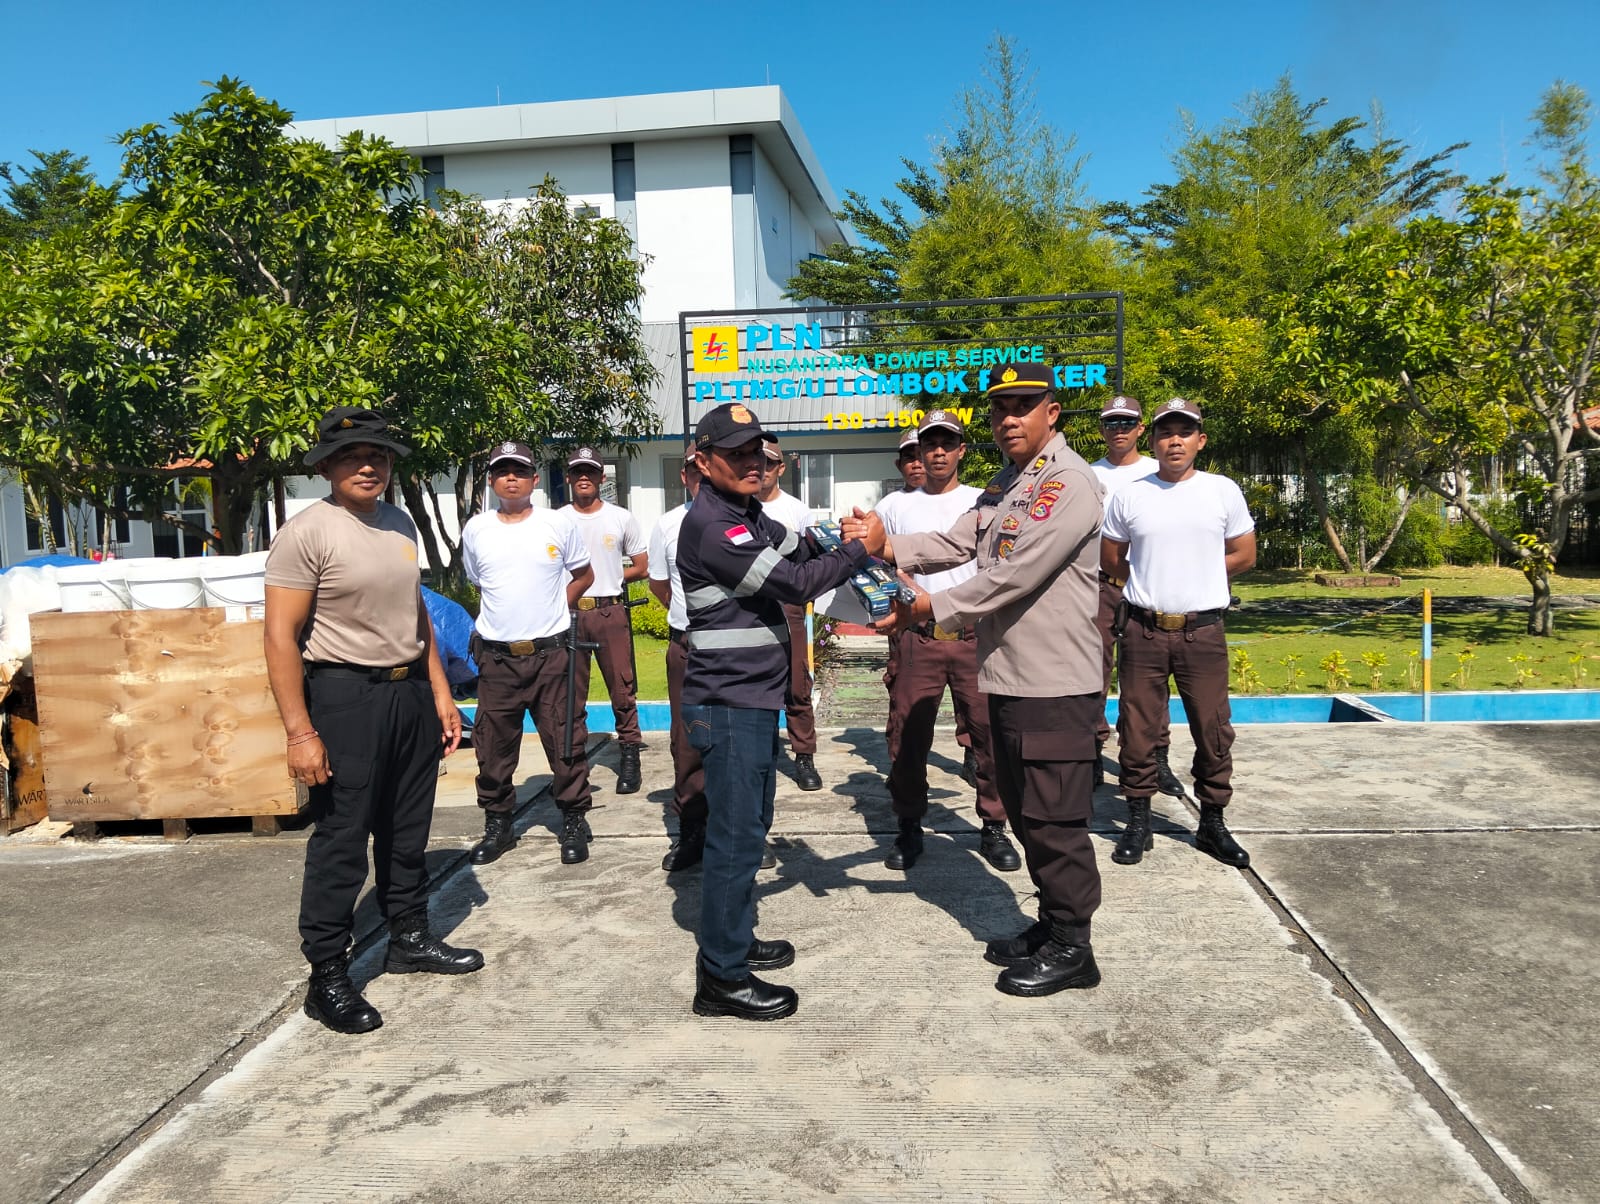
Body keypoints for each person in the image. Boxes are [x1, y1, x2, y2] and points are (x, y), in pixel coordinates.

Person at [844, 363, 1105, 999]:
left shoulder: (1068, 482)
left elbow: (1013, 576)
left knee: (1054, 818)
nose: (1009, 418)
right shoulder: (1010, 484)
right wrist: (885, 543)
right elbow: (961, 541)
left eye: (1023, 405)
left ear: (1053, 412)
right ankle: (1050, 925)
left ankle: (1075, 947)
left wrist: (930, 609)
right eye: (999, 409)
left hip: (1054, 680)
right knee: (1024, 809)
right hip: (1012, 675)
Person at [264, 407, 482, 1037]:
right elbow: (280, 636)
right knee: (342, 837)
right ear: (327, 465)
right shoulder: (308, 532)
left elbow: (415, 614)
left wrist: (440, 693)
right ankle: (327, 974)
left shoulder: (399, 522)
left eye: (380, 455)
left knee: (407, 827)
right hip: (343, 696)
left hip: (407, 693)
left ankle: (408, 936)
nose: (370, 465)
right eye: (355, 455)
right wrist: (301, 732)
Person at [680, 402, 874, 1021]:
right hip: (729, 702)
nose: (749, 462)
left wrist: (838, 536)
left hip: (752, 701)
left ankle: (735, 942)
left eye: (755, 452)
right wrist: (859, 553)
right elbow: (794, 583)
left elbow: (801, 544)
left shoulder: (747, 514)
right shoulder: (716, 526)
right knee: (734, 842)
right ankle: (721, 980)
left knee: (750, 828)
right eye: (734, 453)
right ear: (702, 462)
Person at [1101, 397, 1257, 869]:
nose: (1175, 441)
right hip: (1144, 631)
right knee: (1138, 729)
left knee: (1213, 730)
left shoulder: (1221, 491)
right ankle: (1138, 819)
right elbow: (1112, 559)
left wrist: (1198, 575)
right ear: (1153, 441)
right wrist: (1152, 580)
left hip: (1202, 632)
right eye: (1166, 433)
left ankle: (1212, 822)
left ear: (1200, 441)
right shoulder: (1131, 494)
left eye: (1184, 432)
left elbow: (1244, 555)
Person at [872, 409, 1018, 874]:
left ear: (961, 451)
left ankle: (994, 824)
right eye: (928, 444)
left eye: (946, 443)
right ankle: (910, 824)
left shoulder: (985, 499)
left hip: (977, 636)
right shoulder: (896, 506)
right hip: (920, 636)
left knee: (988, 736)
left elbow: (1001, 561)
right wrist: (902, 586)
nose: (936, 452)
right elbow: (876, 556)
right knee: (908, 737)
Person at [461, 441, 598, 868]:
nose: (511, 478)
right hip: (497, 657)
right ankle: (498, 823)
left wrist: (559, 607)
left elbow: (584, 574)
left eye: (519, 470)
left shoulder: (557, 524)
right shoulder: (477, 529)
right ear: (492, 480)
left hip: (551, 653)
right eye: (502, 471)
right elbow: (479, 582)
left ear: (535, 479)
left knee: (565, 739)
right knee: (492, 744)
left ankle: (574, 819)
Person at [1089, 396, 1184, 800]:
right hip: (1101, 585)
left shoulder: (1159, 472)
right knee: (1091, 670)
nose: (1120, 430)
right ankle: (1091, 749)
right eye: (1111, 424)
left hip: (1150, 588)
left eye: (1127, 422)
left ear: (1142, 428)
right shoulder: (1087, 475)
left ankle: (1153, 754)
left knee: (1150, 678)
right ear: (1102, 430)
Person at [561, 447, 649, 795]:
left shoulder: (620, 517)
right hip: (569, 615)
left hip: (609, 611)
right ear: (568, 478)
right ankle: (574, 763)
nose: (584, 477)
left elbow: (642, 566)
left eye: (591, 472)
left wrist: (613, 577)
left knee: (622, 688)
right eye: (577, 472)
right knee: (570, 693)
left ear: (601, 477)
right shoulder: (557, 520)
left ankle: (629, 756)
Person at [649, 447, 711, 872]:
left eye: (709, 465)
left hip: (736, 650)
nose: (701, 476)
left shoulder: (754, 519)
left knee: (742, 744)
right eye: (693, 469)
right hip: (687, 647)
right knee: (686, 742)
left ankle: (747, 833)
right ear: (686, 476)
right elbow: (659, 583)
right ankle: (692, 830)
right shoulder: (668, 524)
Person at [755, 433, 823, 792]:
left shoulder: (796, 510)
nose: (761, 470)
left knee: (797, 683)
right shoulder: (737, 506)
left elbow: (812, 562)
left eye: (768, 463)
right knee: (756, 685)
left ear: (780, 467)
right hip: (749, 608)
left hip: (789, 607)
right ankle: (760, 755)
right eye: (756, 461)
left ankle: (804, 755)